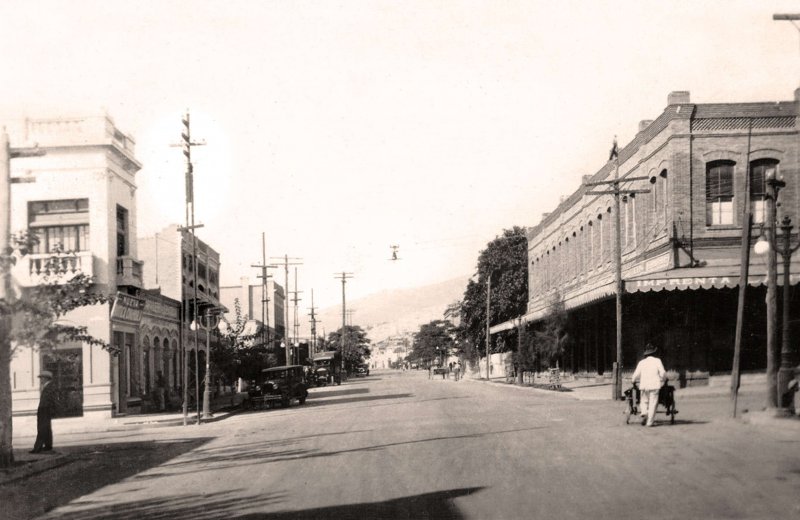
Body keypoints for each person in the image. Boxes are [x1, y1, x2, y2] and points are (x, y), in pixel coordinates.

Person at [631, 344, 667, 427]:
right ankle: (650, 422)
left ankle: (644, 412)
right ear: (654, 353)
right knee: (653, 404)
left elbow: (636, 374)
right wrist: (664, 379)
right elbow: (662, 373)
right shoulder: (657, 361)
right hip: (654, 386)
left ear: (646, 354)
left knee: (643, 401)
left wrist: (633, 380)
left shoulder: (641, 362)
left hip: (644, 385)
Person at [31, 370, 57, 453]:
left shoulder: (49, 387)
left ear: (46, 378)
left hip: (45, 409)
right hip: (44, 409)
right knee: (46, 428)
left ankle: (37, 448)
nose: (40, 380)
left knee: (42, 428)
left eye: (41, 378)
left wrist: (49, 409)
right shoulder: (47, 386)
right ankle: (48, 446)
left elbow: (51, 399)